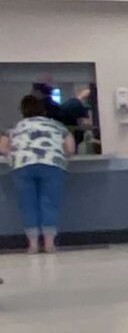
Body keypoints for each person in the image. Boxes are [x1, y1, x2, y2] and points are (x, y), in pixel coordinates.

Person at [10, 92, 72, 251]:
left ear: (22, 111)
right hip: (51, 163)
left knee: (28, 205)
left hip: (22, 164)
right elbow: (70, 148)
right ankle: (50, 244)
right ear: (43, 111)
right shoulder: (57, 126)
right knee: (50, 203)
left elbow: (2, 147)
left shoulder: (16, 127)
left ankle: (33, 245)